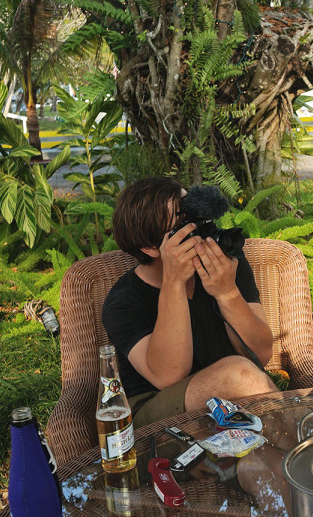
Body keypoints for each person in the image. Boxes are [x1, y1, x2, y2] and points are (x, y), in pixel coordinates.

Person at [102, 177, 277, 428]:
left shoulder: (225, 264)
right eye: (186, 226)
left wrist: (227, 293)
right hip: (157, 415)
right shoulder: (123, 302)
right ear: (151, 248)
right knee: (239, 374)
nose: (201, 232)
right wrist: (174, 282)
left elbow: (261, 353)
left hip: (233, 401)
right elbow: (168, 375)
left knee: (242, 375)